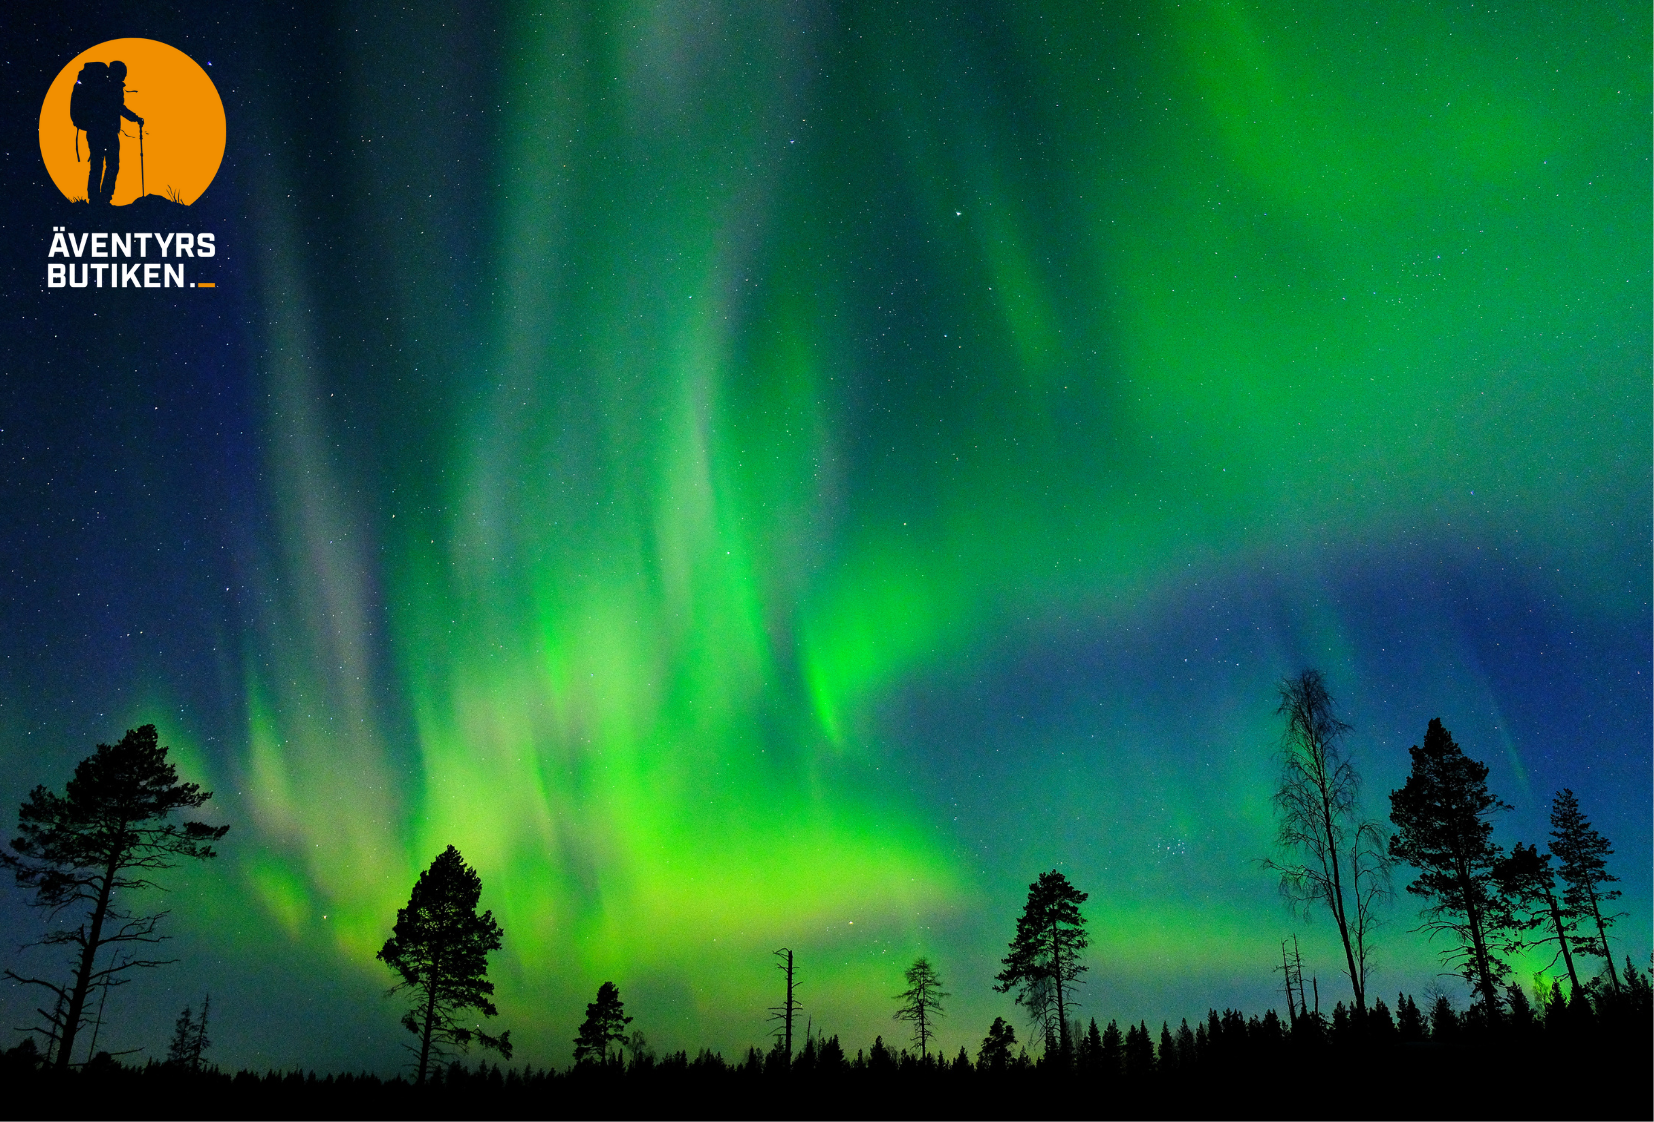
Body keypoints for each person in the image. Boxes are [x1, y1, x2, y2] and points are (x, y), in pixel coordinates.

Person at [85, 60, 143, 205]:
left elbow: (116, 107)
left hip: (95, 131)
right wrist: (135, 118)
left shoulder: (99, 86)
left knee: (97, 164)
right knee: (111, 164)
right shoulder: (112, 87)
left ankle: (94, 198)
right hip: (107, 132)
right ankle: (104, 198)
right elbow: (118, 107)